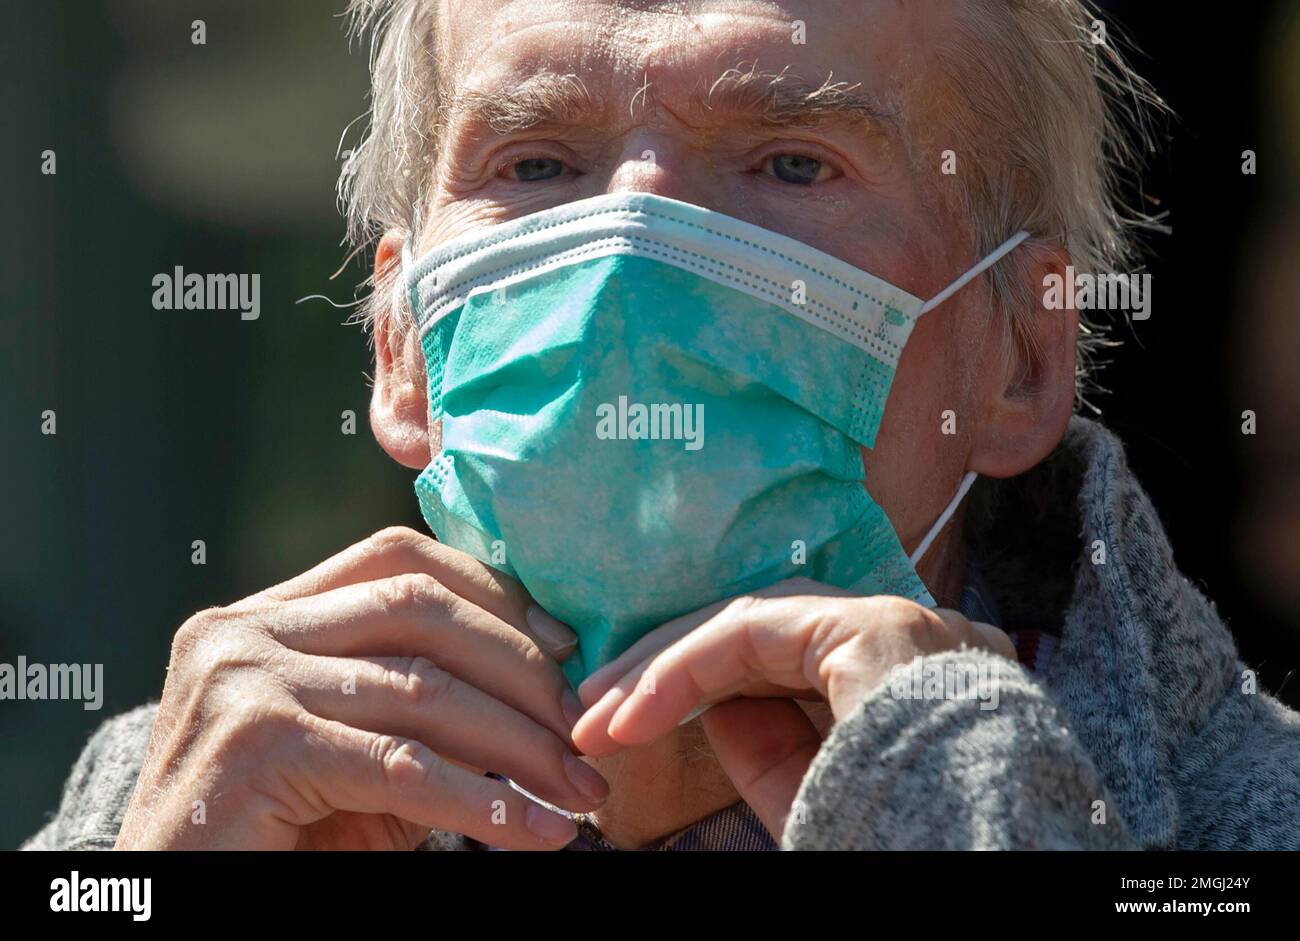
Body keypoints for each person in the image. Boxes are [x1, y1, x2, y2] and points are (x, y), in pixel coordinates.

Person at [24, 0, 1300, 852]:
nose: (631, 253)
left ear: (1020, 353)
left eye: (793, 163)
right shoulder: (189, 780)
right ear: (402, 347)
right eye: (534, 165)